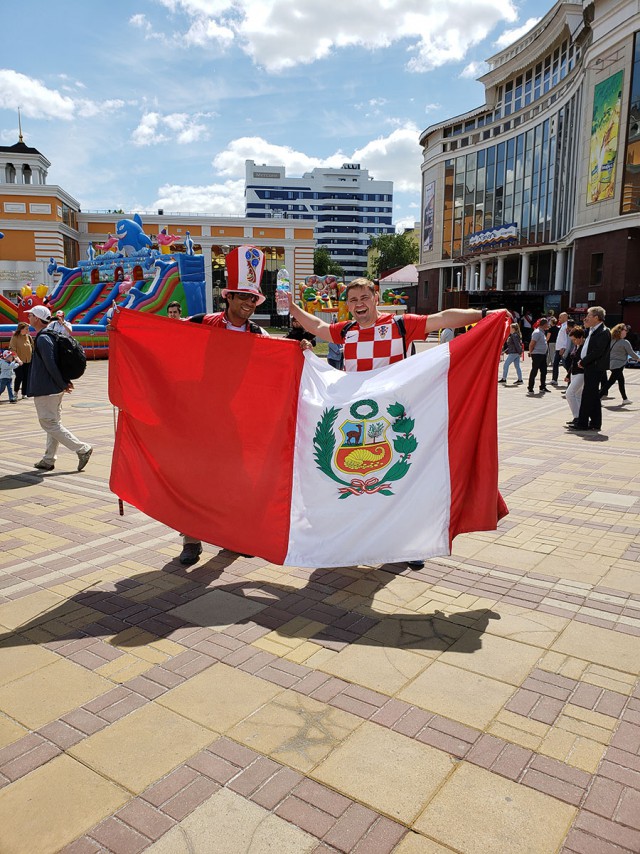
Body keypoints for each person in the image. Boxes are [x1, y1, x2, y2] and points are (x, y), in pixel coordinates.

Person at [287, 277, 508, 570]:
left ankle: (410, 544)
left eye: (364, 297)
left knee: (405, 479)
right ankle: (361, 538)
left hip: (396, 418)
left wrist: (482, 315)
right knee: (365, 480)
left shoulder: (399, 325)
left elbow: (440, 319)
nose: (358, 305)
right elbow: (318, 328)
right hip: (360, 421)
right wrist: (293, 308)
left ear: (375, 297)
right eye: (352, 301)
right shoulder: (348, 331)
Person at [178, 246, 269, 566]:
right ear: (228, 296)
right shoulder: (200, 322)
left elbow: (275, 369)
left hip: (239, 421)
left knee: (237, 479)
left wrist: (300, 348)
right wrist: (125, 328)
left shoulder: (259, 334)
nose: (248, 303)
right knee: (195, 479)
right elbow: (163, 339)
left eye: (253, 299)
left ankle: (235, 536)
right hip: (202, 418)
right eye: (243, 296)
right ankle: (191, 539)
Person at [26, 304, 93, 471]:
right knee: (53, 423)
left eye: (31, 315)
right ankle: (48, 459)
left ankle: (82, 448)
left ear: (37, 318)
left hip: (46, 389)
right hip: (52, 387)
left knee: (48, 423)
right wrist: (63, 382)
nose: (28, 317)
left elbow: (50, 364)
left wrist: (63, 383)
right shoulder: (48, 335)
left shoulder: (43, 338)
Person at [566, 306, 611, 432]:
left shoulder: (603, 331)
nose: (586, 318)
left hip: (595, 367)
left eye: (589, 316)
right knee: (593, 396)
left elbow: (598, 351)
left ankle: (582, 423)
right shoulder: (593, 329)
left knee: (587, 396)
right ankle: (596, 423)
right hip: (590, 366)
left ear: (596, 318)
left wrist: (584, 361)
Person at [600, 323, 640, 404]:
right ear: (620, 331)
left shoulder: (612, 340)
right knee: (610, 382)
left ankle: (625, 399)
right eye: (625, 330)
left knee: (621, 380)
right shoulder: (625, 342)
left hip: (611, 364)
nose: (627, 332)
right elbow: (631, 353)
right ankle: (597, 397)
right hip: (618, 365)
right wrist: (639, 359)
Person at [564, 326, 586, 425]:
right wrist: (568, 374)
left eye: (574, 339)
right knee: (577, 395)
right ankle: (578, 417)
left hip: (581, 373)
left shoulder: (585, 346)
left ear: (581, 337)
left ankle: (578, 417)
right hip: (574, 373)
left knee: (569, 394)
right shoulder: (577, 346)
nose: (573, 342)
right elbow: (573, 362)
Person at [9, 321, 33, 398]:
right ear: (21, 329)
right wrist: (18, 359)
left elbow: (33, 347)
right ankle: (15, 393)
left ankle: (24, 393)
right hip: (18, 361)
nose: (28, 330)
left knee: (26, 377)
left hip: (28, 360)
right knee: (19, 376)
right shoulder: (15, 337)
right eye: (26, 329)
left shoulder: (29, 337)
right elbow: (12, 350)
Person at [527, 317, 549, 394]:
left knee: (544, 371)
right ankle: (530, 387)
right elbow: (532, 343)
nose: (548, 325)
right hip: (537, 354)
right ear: (544, 324)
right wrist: (530, 352)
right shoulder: (537, 332)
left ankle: (542, 386)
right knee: (534, 371)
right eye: (547, 324)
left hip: (542, 354)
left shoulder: (542, 332)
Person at [551, 312, 569, 384]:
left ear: (565, 317)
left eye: (560, 317)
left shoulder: (566, 326)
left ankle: (571, 376)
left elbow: (567, 339)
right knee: (555, 364)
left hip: (562, 349)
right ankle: (554, 379)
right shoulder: (562, 326)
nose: (559, 319)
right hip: (558, 348)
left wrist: (564, 348)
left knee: (565, 364)